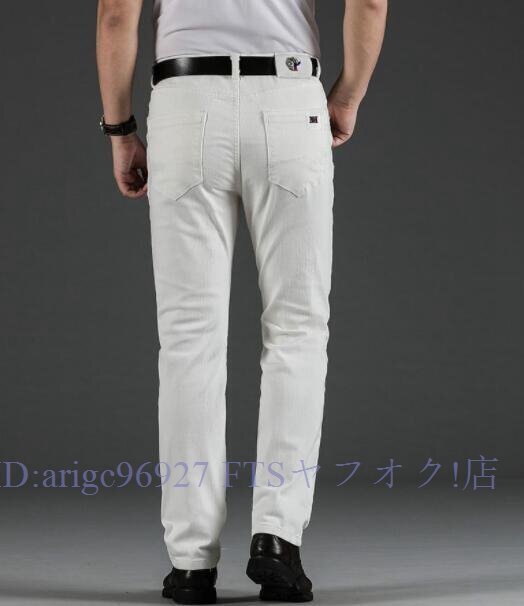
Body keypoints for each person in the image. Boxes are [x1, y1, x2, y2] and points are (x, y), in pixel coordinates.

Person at [96, 0, 387, 603]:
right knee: (297, 330)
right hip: (289, 98)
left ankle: (191, 562)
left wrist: (121, 131)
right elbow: (370, 2)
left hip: (184, 102)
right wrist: (348, 96)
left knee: (188, 341)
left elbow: (116, 15)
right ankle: (277, 538)